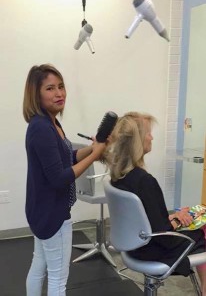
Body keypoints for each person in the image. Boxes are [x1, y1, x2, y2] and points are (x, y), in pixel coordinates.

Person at [23, 64, 106, 296]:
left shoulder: (51, 123)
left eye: (61, 86)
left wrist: (91, 149)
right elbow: (60, 178)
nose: (59, 93)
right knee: (58, 280)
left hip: (42, 210)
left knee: (39, 267)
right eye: (50, 88)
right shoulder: (42, 128)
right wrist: (96, 156)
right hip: (52, 214)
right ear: (36, 94)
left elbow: (66, 157)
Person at [102, 111, 206, 294]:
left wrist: (172, 216)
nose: (152, 137)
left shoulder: (118, 176)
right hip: (154, 250)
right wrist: (179, 220)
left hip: (133, 245)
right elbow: (163, 234)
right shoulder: (145, 181)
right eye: (148, 133)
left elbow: (146, 216)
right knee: (203, 230)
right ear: (138, 141)